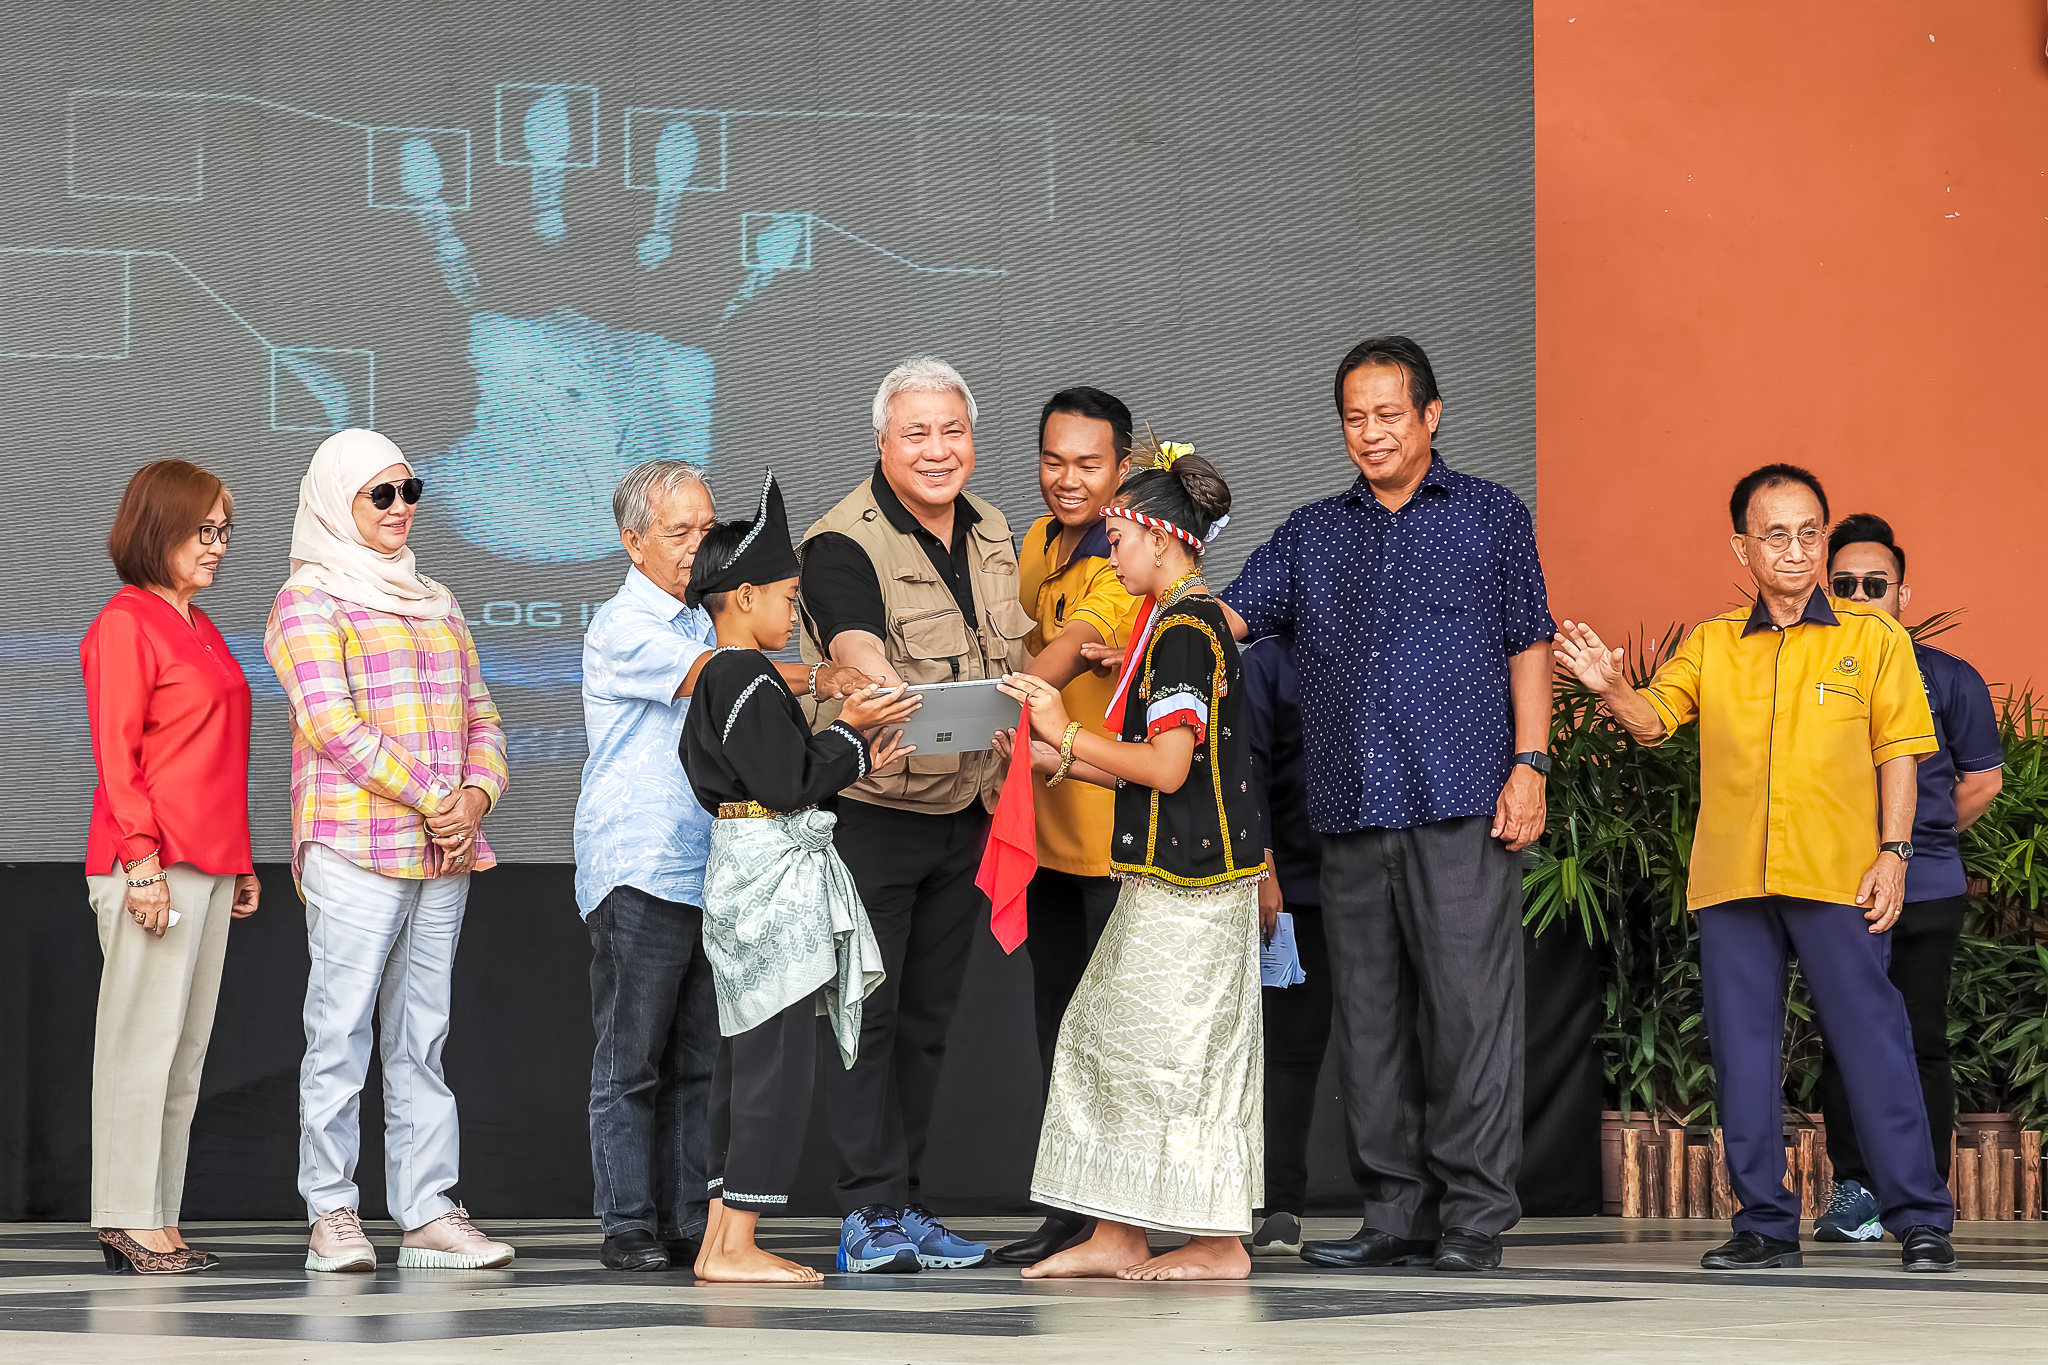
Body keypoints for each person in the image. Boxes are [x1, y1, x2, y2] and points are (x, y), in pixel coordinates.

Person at [1555, 463, 1957, 1273]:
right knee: (1742, 1053)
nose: (1797, 550)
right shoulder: (1713, 644)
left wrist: (1894, 852)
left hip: (1840, 876)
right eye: (1777, 535)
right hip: (1733, 879)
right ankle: (1765, 1224)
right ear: (1743, 547)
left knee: (1875, 1042)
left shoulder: (1872, 638)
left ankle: (1919, 1217)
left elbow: (1900, 752)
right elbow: (1654, 720)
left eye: (1810, 533)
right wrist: (1612, 686)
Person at [1215, 336, 1555, 1273]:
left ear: (1430, 416)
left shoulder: (1489, 513)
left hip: (1463, 802)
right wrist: (1145, 614)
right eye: (1354, 417)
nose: (1371, 432)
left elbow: (1529, 641)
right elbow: (1227, 618)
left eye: (1388, 414)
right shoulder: (1311, 532)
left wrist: (1531, 764)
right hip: (1351, 811)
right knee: (1369, 1024)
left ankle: (1474, 1218)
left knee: (1470, 1017)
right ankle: (1393, 1213)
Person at [575, 461, 871, 1273]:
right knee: (631, 1058)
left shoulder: (708, 625)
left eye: (708, 527)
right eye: (681, 531)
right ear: (633, 542)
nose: (699, 544)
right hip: (640, 861)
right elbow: (722, 672)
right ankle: (627, 1220)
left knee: (705, 1057)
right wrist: (828, 682)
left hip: (718, 867)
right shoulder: (625, 626)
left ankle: (690, 1221)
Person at [995, 440, 1264, 1281]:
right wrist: (1059, 759)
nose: (1112, 556)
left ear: (1159, 535)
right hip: (1182, 872)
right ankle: (1119, 1231)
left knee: (1176, 1051)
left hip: (1191, 885)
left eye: (1117, 539)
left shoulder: (1182, 628)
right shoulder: (1179, 620)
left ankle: (1216, 1240)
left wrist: (1063, 729)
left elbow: (1168, 768)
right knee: (1110, 1037)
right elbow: (1159, 766)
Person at [797, 355, 1034, 1273]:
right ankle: (867, 1212)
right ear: (882, 441)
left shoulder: (993, 526)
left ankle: (909, 1203)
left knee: (930, 1018)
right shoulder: (839, 542)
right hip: (875, 814)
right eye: (916, 433)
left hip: (968, 807)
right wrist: (877, 683)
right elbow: (855, 643)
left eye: (953, 431)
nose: (938, 451)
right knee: (868, 1014)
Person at [265, 428, 514, 1273]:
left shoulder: (438, 599)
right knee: (339, 1033)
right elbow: (330, 724)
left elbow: (483, 715)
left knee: (423, 1036)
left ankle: (427, 1211)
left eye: (411, 490)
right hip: (354, 844)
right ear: (338, 499)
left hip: (445, 852)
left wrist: (474, 798)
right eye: (382, 493)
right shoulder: (307, 599)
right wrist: (438, 797)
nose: (401, 506)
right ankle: (331, 1211)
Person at [678, 473, 919, 1283]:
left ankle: (721, 1239)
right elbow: (785, 786)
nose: (794, 613)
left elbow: (775, 777)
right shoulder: (745, 675)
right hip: (771, 887)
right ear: (743, 596)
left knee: (746, 1061)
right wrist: (850, 731)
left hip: (744, 871)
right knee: (774, 1065)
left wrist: (855, 753)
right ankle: (738, 1243)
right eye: (787, 597)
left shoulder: (725, 675)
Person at [82, 460, 261, 1275]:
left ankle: (159, 1216)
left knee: (182, 1055)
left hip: (209, 861)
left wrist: (240, 858)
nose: (217, 545)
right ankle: (126, 1216)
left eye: (223, 531)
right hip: (153, 864)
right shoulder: (126, 622)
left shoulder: (201, 623)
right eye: (203, 531)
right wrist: (144, 865)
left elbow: (216, 754)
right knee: (141, 1047)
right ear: (159, 530)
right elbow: (117, 759)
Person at [1813, 514, 2003, 1242]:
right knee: (1844, 1038)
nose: (1860, 595)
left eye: (1876, 584)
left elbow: (1981, 781)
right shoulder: (1809, 673)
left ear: (1903, 595)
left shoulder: (1949, 678)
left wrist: (1913, 844)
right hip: (1834, 890)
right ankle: (1856, 1190)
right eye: (1845, 585)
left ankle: (1919, 1194)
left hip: (1925, 888)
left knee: (1919, 1038)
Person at [992, 385, 1144, 1267]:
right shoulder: (1034, 542)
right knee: (1056, 1027)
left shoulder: (1128, 554)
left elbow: (1060, 652)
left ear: (1123, 467)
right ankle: (1069, 1208)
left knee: (1112, 1036)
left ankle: (1118, 1217)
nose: (1068, 478)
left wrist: (992, 702)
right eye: (1053, 460)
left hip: (1113, 836)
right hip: (1043, 829)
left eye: (1088, 463)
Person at [1241, 633, 1335, 1259]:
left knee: (1389, 1043)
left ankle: (1407, 1210)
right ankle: (1280, 1205)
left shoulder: (1381, 643)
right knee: (1289, 1051)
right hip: (1292, 887)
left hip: (1371, 877)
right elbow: (1247, 770)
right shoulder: (1268, 660)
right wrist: (1264, 871)